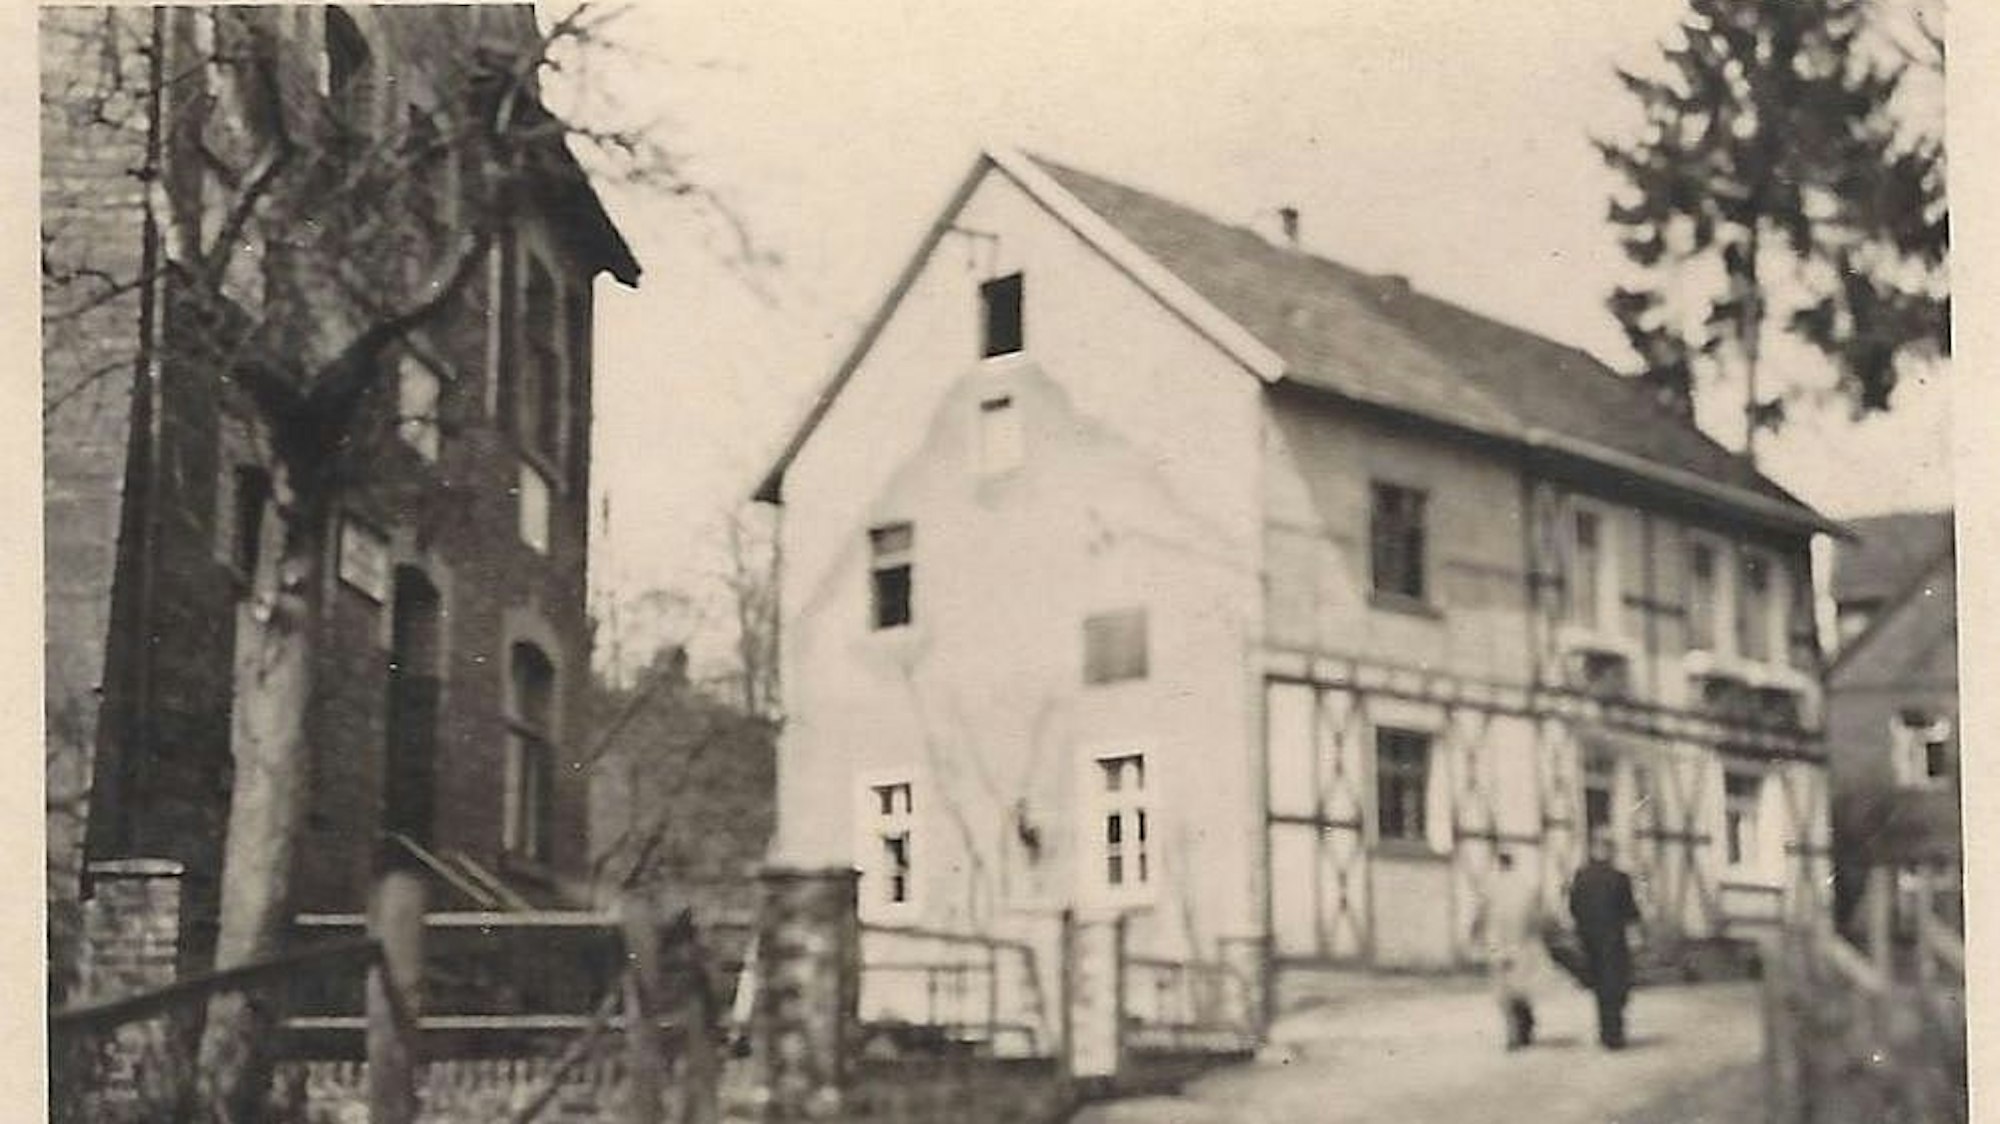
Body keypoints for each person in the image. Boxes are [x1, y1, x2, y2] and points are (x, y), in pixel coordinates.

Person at [1568, 832, 1641, 1049]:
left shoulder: (1581, 876)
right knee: (1616, 986)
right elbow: (1631, 912)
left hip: (1590, 940)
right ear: (1610, 852)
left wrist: (1582, 930)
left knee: (1600, 988)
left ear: (1593, 850)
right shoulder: (1619, 877)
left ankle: (1605, 1032)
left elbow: (1573, 907)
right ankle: (1615, 1033)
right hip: (1614, 942)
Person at [1474, 850, 1552, 1050]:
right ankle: (1525, 1027)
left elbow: (1480, 916)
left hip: (1498, 946)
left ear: (1498, 865)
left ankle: (1513, 1034)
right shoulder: (1525, 887)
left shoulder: (1490, 887)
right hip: (1522, 946)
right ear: (1513, 864)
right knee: (1521, 989)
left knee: (1504, 992)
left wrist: (1477, 937)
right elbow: (1538, 919)